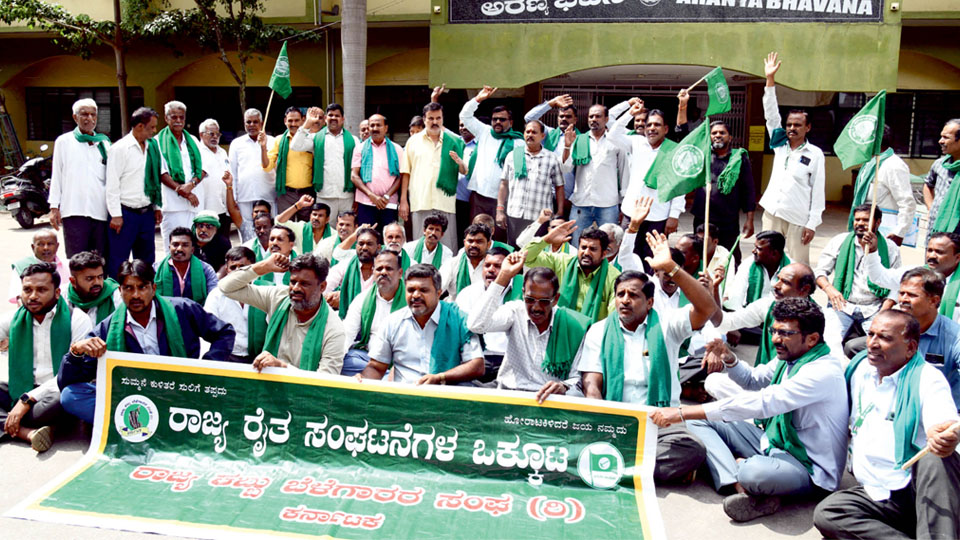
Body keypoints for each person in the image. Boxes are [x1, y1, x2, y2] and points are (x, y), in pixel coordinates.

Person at [654, 298, 848, 522]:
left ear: (812, 339)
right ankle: (737, 484)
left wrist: (680, 412)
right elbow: (754, 380)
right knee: (699, 422)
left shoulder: (822, 372)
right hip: (774, 442)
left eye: (784, 333)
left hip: (808, 465)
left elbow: (762, 403)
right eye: (774, 331)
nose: (775, 339)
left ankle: (744, 472)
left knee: (753, 472)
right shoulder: (793, 356)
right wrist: (728, 357)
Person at [580, 231, 720, 483]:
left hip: (662, 422)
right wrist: (605, 423)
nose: (625, 300)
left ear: (650, 303)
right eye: (620, 294)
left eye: (633, 295)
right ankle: (640, 468)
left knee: (692, 449)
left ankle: (614, 468)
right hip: (616, 418)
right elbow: (592, 384)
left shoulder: (668, 325)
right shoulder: (599, 331)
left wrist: (671, 268)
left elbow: (707, 308)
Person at [814, 310, 960, 539]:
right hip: (878, 491)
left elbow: (942, 418)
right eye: (871, 334)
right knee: (829, 513)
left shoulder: (927, 378)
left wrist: (941, 434)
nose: (872, 344)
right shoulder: (860, 369)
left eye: (884, 338)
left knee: (935, 456)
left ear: (911, 348)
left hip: (917, 490)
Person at [59, 259, 236, 424]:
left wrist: (207, 368)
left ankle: (135, 425)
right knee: (71, 396)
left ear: (153, 288)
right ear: (120, 291)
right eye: (128, 288)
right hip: (134, 398)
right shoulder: (108, 329)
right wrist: (76, 352)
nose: (135, 295)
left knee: (234, 393)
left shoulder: (182, 309)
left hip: (182, 390)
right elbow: (67, 383)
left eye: (142, 287)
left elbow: (224, 333)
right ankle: (140, 424)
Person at [0, 263, 92, 452]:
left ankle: (12, 421)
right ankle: (27, 433)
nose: (33, 296)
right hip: (20, 387)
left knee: (66, 399)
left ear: (57, 293)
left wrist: (26, 400)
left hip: (54, 392)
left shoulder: (77, 320)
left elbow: (70, 375)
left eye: (41, 290)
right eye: (27, 290)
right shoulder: (14, 319)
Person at [468, 257, 589, 399]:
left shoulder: (573, 326)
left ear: (556, 299)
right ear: (523, 293)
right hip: (509, 394)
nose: (536, 307)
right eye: (530, 300)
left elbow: (577, 378)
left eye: (544, 301)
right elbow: (476, 325)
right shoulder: (515, 311)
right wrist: (503, 277)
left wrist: (563, 386)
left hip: (548, 400)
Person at [704, 263, 818, 399]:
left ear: (804, 290)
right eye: (778, 279)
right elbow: (726, 323)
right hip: (765, 381)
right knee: (714, 381)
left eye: (785, 282)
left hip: (794, 391)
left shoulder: (822, 320)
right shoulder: (768, 305)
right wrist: (713, 290)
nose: (776, 286)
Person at [219, 252, 346, 374]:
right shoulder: (278, 297)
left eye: (304, 284)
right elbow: (226, 287)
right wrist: (264, 266)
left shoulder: (334, 329)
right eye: (293, 282)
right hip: (267, 386)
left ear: (322, 287)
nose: (296, 288)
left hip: (304, 394)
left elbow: (326, 380)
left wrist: (282, 367)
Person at [359, 264, 485, 385]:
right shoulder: (392, 322)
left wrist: (441, 378)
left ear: (439, 293)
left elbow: (477, 365)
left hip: (446, 394)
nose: (416, 295)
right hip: (404, 397)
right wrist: (362, 378)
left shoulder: (458, 319)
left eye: (423, 290)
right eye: (411, 290)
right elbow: (376, 367)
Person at [758, 52, 826, 265]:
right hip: (772, 212)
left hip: (798, 218)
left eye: (797, 125)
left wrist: (812, 223)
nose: (791, 128)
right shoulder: (779, 144)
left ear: (808, 127)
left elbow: (818, 191)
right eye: (789, 125)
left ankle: (799, 299)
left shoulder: (814, 154)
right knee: (765, 259)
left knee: (797, 266)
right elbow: (771, 114)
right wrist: (770, 80)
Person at [614, 96, 688, 267]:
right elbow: (612, 135)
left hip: (658, 215)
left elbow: (679, 186)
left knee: (652, 260)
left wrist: (674, 215)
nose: (652, 128)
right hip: (631, 213)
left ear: (666, 129)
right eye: (649, 125)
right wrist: (630, 114)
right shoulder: (636, 142)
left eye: (657, 125)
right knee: (626, 255)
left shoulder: (673, 151)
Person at [815, 204, 901, 342]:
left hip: (874, 307)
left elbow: (896, 285)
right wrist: (830, 290)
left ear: (878, 223)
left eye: (866, 220)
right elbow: (819, 272)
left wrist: (884, 311)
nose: (860, 223)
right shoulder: (840, 241)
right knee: (829, 342)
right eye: (857, 220)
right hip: (842, 305)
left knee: (882, 344)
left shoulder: (891, 248)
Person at [399, 102, 468, 251]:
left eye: (438, 118)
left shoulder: (454, 141)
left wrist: (460, 162)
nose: (435, 122)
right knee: (421, 245)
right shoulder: (413, 141)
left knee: (447, 247)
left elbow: (464, 170)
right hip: (420, 201)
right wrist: (403, 200)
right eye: (431, 118)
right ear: (424, 119)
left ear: (443, 119)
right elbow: (406, 172)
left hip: (445, 201)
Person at [105, 107, 163, 278]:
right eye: (151, 127)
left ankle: (145, 296)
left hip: (146, 214)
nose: (154, 131)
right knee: (118, 261)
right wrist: (116, 215)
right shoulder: (120, 149)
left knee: (146, 262)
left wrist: (157, 206)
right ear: (139, 126)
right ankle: (116, 298)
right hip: (124, 214)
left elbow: (154, 179)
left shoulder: (152, 147)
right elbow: (112, 185)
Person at [49, 98, 110, 258]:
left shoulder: (104, 143)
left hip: (100, 211)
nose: (89, 118)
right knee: (76, 259)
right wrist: (54, 207)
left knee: (98, 259)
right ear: (75, 117)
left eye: (93, 114)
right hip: (73, 210)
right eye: (84, 114)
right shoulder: (64, 142)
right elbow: (57, 175)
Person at [524, 220, 620, 322]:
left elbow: (613, 317)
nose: (586, 253)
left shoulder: (614, 277)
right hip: (560, 327)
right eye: (583, 247)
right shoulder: (562, 262)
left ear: (604, 254)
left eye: (593, 249)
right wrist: (546, 240)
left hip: (592, 333)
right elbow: (526, 258)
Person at [561, 104, 629, 245]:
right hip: (581, 203)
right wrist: (567, 146)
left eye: (598, 116)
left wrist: (623, 202)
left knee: (609, 245)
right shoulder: (578, 140)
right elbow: (566, 168)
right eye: (591, 116)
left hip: (608, 203)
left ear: (606, 119)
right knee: (576, 244)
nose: (593, 119)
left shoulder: (615, 142)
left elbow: (624, 172)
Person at [891, 267, 960, 407]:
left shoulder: (954, 337)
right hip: (897, 406)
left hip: (940, 413)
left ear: (934, 301)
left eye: (911, 295)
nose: (903, 300)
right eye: (901, 293)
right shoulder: (892, 328)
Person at [692, 120, 756, 265]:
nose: (718, 135)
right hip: (703, 217)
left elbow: (749, 189)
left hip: (728, 220)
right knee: (701, 254)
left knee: (730, 257)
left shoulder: (739, 158)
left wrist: (749, 219)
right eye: (714, 133)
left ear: (730, 137)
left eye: (722, 133)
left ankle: (729, 285)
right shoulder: (702, 156)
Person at [863, 231, 960, 324]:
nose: (932, 256)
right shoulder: (915, 274)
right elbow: (879, 277)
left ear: (957, 258)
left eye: (939, 252)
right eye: (930, 250)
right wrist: (872, 251)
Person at [460, 85, 524, 223]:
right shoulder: (485, 132)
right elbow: (464, 115)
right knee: (476, 234)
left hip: (503, 201)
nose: (498, 122)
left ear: (511, 122)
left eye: (502, 119)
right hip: (479, 197)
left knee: (498, 239)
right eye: (495, 119)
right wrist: (478, 99)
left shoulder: (519, 142)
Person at [497, 120, 565, 246]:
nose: (530, 135)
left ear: (542, 136)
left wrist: (560, 212)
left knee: (536, 254)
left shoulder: (551, 158)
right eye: (527, 131)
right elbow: (504, 184)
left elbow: (559, 186)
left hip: (540, 218)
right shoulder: (512, 156)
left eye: (534, 132)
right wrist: (500, 210)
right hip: (515, 215)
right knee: (514, 252)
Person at [341, 249, 406, 377]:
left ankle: (381, 377)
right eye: (379, 269)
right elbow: (347, 334)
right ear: (373, 272)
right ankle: (381, 377)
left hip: (401, 360)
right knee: (344, 361)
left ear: (400, 273)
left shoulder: (411, 300)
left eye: (389, 268)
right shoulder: (362, 299)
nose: (383, 272)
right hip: (368, 358)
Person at [289, 104, 361, 220]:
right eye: (330, 115)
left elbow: (358, 169)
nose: (333, 118)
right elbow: (295, 146)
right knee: (327, 231)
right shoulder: (316, 138)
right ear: (326, 118)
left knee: (347, 228)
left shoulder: (354, 140)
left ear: (343, 119)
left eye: (337, 116)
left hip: (347, 196)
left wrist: (358, 196)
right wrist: (307, 123)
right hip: (324, 195)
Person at [848, 125, 915, 246]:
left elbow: (907, 202)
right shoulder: (869, 164)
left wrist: (899, 231)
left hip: (884, 231)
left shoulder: (894, 165)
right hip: (863, 229)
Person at [456, 247, 514, 384]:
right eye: (487, 265)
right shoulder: (467, 294)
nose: (491, 270)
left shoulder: (522, 291)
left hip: (509, 360)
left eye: (498, 266)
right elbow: (463, 331)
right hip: (478, 358)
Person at [156, 101, 204, 251]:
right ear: (166, 118)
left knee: (191, 248)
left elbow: (203, 169)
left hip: (194, 205)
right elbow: (162, 173)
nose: (178, 121)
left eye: (181, 117)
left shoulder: (193, 141)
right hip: (171, 206)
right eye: (174, 117)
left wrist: (191, 185)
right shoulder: (157, 141)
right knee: (173, 248)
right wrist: (183, 191)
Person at [523, 94, 577, 216]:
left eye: (568, 117)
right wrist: (551, 103)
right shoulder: (548, 134)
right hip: (543, 194)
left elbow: (582, 172)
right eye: (561, 116)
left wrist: (572, 198)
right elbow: (529, 118)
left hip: (569, 198)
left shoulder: (582, 140)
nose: (564, 119)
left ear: (575, 120)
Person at [229, 108, 276, 243]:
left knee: (269, 230)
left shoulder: (272, 141)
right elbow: (233, 172)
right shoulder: (236, 144)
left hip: (268, 195)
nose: (251, 125)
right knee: (247, 232)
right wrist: (235, 197)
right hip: (245, 196)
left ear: (261, 123)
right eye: (248, 122)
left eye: (255, 122)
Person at [204, 246, 257, 363]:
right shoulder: (216, 295)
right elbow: (208, 329)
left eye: (242, 267)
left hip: (258, 357)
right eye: (233, 267)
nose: (237, 271)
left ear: (253, 268)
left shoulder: (263, 292)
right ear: (227, 270)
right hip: (227, 357)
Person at [350, 114, 403, 229]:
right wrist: (372, 196)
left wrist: (386, 197)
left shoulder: (397, 149)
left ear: (386, 128)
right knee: (367, 238)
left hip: (388, 203)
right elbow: (354, 176)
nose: (374, 128)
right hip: (366, 202)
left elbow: (400, 177)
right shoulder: (360, 148)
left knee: (388, 239)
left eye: (378, 125)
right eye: (372, 125)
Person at [264, 106, 316, 220]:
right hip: (286, 194)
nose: (293, 124)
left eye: (297, 120)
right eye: (290, 120)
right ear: (285, 121)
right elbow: (267, 167)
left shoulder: (311, 139)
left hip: (307, 193)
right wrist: (263, 147)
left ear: (303, 120)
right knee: (286, 229)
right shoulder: (279, 141)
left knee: (306, 229)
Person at [724, 230, 790, 310]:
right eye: (754, 247)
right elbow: (736, 296)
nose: (753, 251)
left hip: (780, 316)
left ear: (774, 253)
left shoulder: (791, 269)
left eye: (759, 249)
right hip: (750, 313)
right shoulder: (748, 264)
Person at [197, 118, 241, 236]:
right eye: (211, 134)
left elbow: (230, 176)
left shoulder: (222, 152)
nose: (215, 137)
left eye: (217, 134)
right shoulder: (197, 152)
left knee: (223, 243)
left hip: (223, 208)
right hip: (205, 208)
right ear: (201, 135)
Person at [325, 226, 381, 318]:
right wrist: (333, 298)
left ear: (378, 247)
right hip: (348, 318)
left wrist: (343, 295)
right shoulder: (346, 265)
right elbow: (323, 288)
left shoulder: (384, 268)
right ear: (356, 246)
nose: (364, 247)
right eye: (361, 244)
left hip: (377, 319)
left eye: (369, 244)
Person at [153, 227, 219, 305]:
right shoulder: (156, 269)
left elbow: (214, 298)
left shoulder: (206, 270)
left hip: (198, 314)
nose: (179, 249)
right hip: (166, 314)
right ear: (169, 248)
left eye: (185, 245)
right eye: (175, 245)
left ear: (192, 250)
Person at [9, 230, 69, 304]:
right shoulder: (21, 266)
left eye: (50, 244)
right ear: (33, 247)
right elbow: (19, 298)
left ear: (57, 246)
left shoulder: (68, 265)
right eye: (40, 244)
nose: (45, 248)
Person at [924, 119, 960, 238]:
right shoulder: (939, 164)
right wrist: (931, 207)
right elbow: (928, 184)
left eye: (946, 137)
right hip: (936, 228)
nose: (941, 141)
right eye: (941, 137)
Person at [66, 251, 121, 327]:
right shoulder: (63, 296)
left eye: (100, 276)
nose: (97, 282)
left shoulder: (114, 294)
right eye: (89, 278)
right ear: (73, 282)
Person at [440, 223, 491, 301]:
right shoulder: (451, 264)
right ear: (464, 243)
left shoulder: (493, 266)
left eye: (479, 242)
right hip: (456, 310)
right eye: (470, 241)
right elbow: (437, 288)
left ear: (488, 244)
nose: (474, 245)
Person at [456, 120, 476, 245]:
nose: (463, 128)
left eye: (466, 124)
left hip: (473, 198)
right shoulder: (455, 142)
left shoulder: (480, 145)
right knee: (458, 233)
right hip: (456, 198)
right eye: (461, 125)